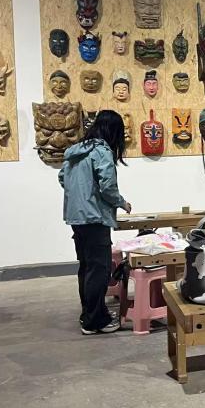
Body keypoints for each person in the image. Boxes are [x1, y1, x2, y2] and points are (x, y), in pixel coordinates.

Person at [59, 110, 132, 335]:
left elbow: (62, 178)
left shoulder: (76, 151)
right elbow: (107, 186)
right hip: (94, 217)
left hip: (76, 217)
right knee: (99, 270)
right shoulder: (101, 151)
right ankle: (95, 321)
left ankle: (89, 314)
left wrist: (79, 194)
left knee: (87, 267)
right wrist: (122, 202)